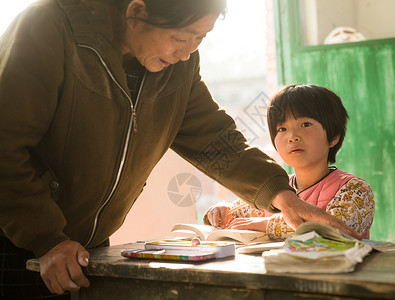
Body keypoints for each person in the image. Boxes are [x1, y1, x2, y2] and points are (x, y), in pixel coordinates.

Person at [0, 0, 361, 298]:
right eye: (180, 36)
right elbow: (4, 145)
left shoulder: (177, 67)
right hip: (16, 237)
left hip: (82, 244)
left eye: (200, 38)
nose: (188, 52)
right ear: (137, 13)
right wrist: (45, 237)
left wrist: (284, 196)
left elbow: (215, 141)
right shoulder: (52, 27)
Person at [204, 84, 375, 240]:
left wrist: (265, 225)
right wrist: (221, 211)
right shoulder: (273, 190)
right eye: (282, 129)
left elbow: (336, 229)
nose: (292, 137)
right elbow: (236, 213)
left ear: (333, 137)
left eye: (305, 124)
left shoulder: (355, 190)